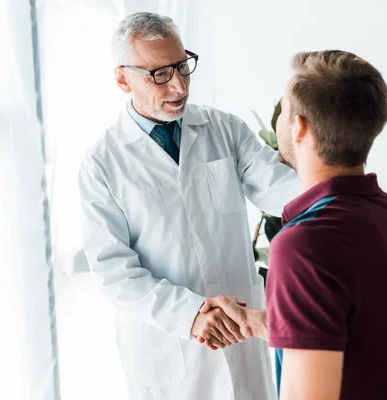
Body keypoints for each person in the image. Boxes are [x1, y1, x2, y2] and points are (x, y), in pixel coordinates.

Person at [78, 11, 299, 400]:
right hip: (169, 351)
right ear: (122, 78)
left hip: (241, 334)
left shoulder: (224, 129)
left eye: (182, 66)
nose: (179, 85)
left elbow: (280, 188)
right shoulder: (102, 164)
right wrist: (190, 314)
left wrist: (340, 183)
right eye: (160, 74)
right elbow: (114, 272)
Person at [198, 50, 387, 400]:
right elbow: (362, 333)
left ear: (299, 127)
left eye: (283, 109)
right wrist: (262, 322)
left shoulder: (305, 244)